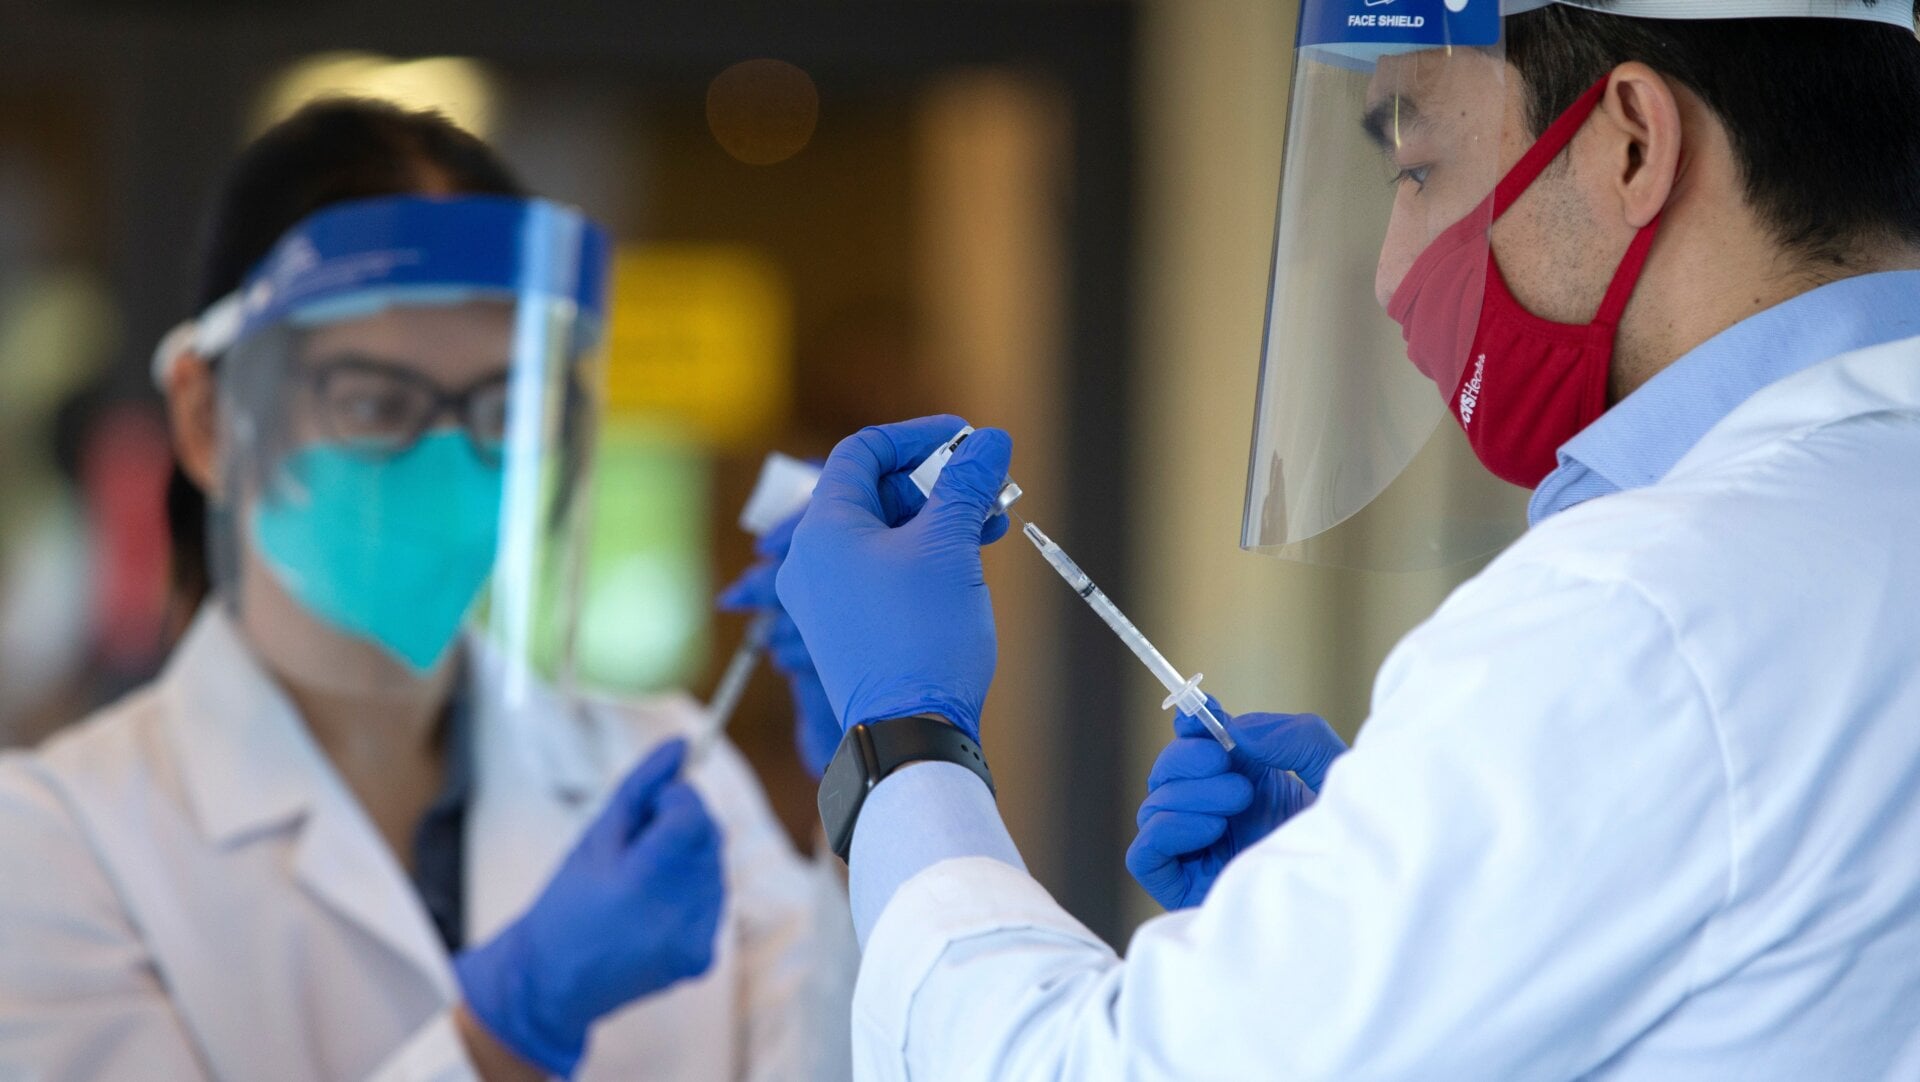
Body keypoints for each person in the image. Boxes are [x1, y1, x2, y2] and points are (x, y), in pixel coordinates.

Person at [750, 1, 1920, 1077]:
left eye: (1417, 167)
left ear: (1628, 141)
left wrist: (904, 745)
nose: (1392, 269)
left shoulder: (1642, 610)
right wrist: (1386, 899)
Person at [0, 100, 854, 1082]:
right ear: (207, 417)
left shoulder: (671, 773)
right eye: (374, 400)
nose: (452, 469)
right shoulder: (54, 841)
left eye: (499, 408)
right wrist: (505, 1034)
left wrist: (875, 814)